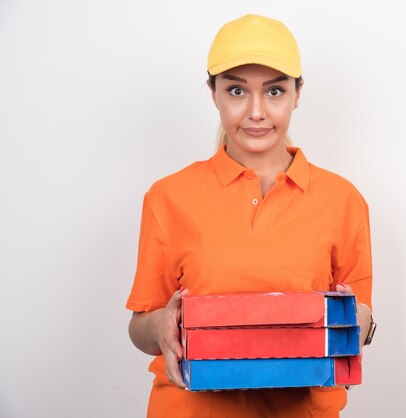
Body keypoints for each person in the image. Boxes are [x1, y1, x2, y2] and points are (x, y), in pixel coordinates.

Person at [126, 14, 376, 418]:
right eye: (237, 90)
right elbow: (140, 327)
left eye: (274, 90)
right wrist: (158, 327)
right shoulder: (167, 197)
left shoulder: (343, 200)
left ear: (297, 94)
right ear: (213, 93)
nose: (256, 112)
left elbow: (360, 316)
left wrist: (357, 323)